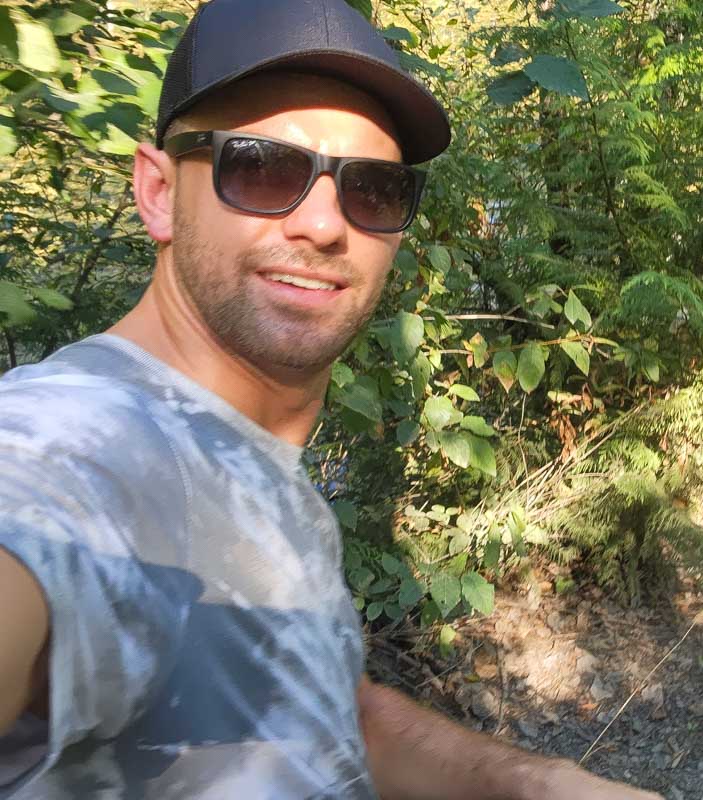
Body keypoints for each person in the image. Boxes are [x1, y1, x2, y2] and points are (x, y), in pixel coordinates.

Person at [0, 0, 662, 797]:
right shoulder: (64, 450)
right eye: (262, 168)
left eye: (373, 190)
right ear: (158, 192)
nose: (323, 224)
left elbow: (325, 713)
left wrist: (539, 785)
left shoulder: (258, 462)